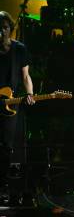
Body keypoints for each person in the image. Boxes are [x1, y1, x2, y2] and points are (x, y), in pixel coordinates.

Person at [0, 11, 35, 197]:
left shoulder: (19, 49)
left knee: (7, 145)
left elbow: (26, 76)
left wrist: (29, 93)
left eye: (5, 28)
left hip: (10, 104)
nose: (1, 32)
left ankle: (3, 183)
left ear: (10, 30)